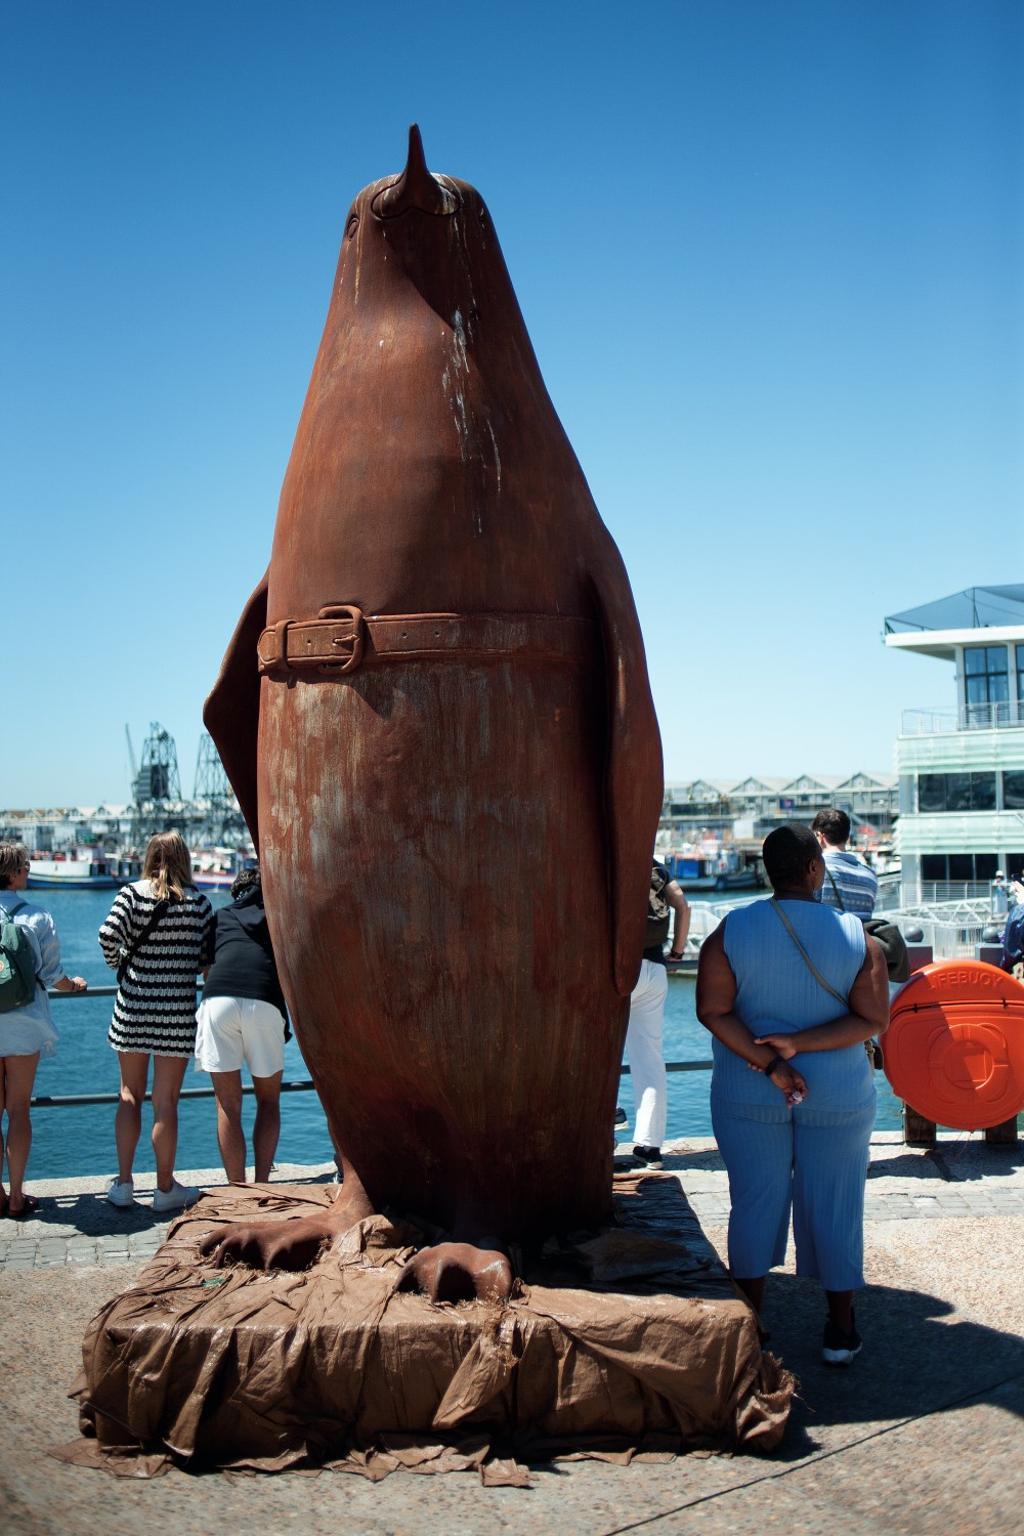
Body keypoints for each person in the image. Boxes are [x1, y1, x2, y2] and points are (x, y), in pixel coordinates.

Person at [696, 823, 888, 1366]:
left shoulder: (730, 931)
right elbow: (873, 1019)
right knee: (836, 1203)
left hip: (748, 1088)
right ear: (813, 869)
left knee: (753, 1201)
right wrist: (800, 1045)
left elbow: (712, 1011)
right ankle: (840, 1330)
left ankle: (751, 1325)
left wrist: (773, 1065)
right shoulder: (858, 937)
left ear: (766, 871)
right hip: (837, 1093)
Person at [99, 832, 214, 1212]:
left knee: (129, 1095)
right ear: (184, 859)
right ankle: (165, 1189)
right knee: (165, 1103)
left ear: (150, 856)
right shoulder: (200, 904)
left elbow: (107, 936)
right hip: (176, 1013)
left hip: (132, 1008)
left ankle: (124, 1183)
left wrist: (121, 965)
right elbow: (205, 960)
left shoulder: (131, 894)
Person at [0, 843, 87, 1219]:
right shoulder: (36, 916)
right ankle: (17, 1196)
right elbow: (53, 976)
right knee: (19, 1110)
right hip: (24, 1022)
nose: (29, 872)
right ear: (15, 872)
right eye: (26, 866)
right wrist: (76, 985)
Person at [194, 866, 287, 1183]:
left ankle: (236, 1187)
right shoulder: (278, 919)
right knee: (269, 1100)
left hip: (218, 999)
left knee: (228, 1104)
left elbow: (206, 966)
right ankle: (262, 1184)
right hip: (264, 998)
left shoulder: (221, 915)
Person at [622, 860, 691, 1170]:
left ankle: (603, 1131)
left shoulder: (618, 863)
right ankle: (650, 1146)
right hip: (654, 969)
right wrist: (676, 952)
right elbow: (683, 906)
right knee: (649, 1059)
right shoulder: (657, 869)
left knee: (599, 1054)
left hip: (621, 970)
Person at [811, 809, 878, 918]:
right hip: (861, 934)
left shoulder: (816, 870)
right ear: (847, 837)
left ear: (820, 836)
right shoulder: (870, 875)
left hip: (830, 934)